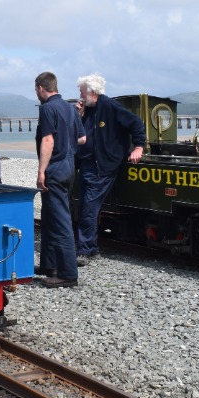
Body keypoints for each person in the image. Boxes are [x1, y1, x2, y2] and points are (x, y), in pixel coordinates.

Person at [74, 74, 146, 264]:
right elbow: (80, 134)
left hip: (102, 166)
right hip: (86, 164)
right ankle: (92, 248)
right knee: (84, 208)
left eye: (81, 92)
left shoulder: (109, 106)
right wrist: (78, 116)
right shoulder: (87, 110)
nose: (80, 96)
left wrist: (139, 146)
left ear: (92, 92)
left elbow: (136, 123)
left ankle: (84, 250)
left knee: (89, 208)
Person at [34, 72, 86, 288]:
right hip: (69, 165)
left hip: (55, 167)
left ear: (40, 88)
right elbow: (82, 138)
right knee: (49, 215)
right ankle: (49, 264)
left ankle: (67, 274)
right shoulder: (68, 107)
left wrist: (41, 171)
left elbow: (47, 140)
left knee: (61, 219)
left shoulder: (47, 108)